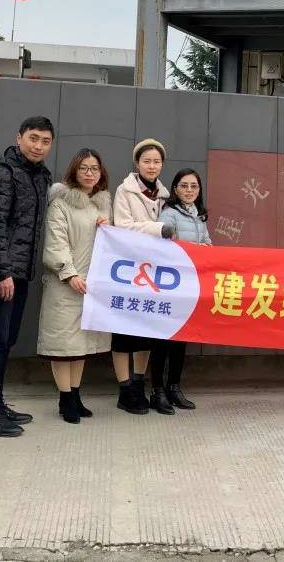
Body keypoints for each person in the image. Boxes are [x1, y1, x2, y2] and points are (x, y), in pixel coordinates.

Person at [0, 116, 54, 437]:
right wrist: (2, 272)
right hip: (4, 274)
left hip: (21, 273)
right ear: (19, 137)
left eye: (45, 141)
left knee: (7, 339)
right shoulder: (4, 172)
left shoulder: (40, 176)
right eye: (33, 138)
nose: (38, 146)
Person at [38, 148, 113, 424]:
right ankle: (65, 398)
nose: (90, 173)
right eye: (84, 168)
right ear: (74, 170)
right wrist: (69, 274)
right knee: (63, 346)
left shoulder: (102, 205)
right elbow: (56, 242)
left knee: (81, 345)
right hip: (65, 284)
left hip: (92, 286)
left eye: (94, 168)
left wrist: (108, 228)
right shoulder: (60, 203)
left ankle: (75, 395)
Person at [111, 138, 175, 414]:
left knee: (147, 330)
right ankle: (125, 390)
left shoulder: (165, 195)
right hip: (128, 270)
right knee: (123, 332)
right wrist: (157, 229)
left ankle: (138, 383)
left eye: (157, 161)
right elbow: (122, 226)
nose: (152, 166)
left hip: (155, 273)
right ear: (137, 163)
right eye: (146, 161)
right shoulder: (124, 191)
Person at [154, 168, 212, 414]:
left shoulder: (199, 216)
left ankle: (174, 388)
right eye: (184, 186)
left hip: (190, 287)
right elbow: (163, 242)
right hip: (170, 286)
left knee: (181, 339)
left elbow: (208, 245)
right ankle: (157, 391)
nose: (189, 190)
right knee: (162, 340)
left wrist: (205, 249)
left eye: (194, 186)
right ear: (175, 189)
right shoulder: (169, 213)